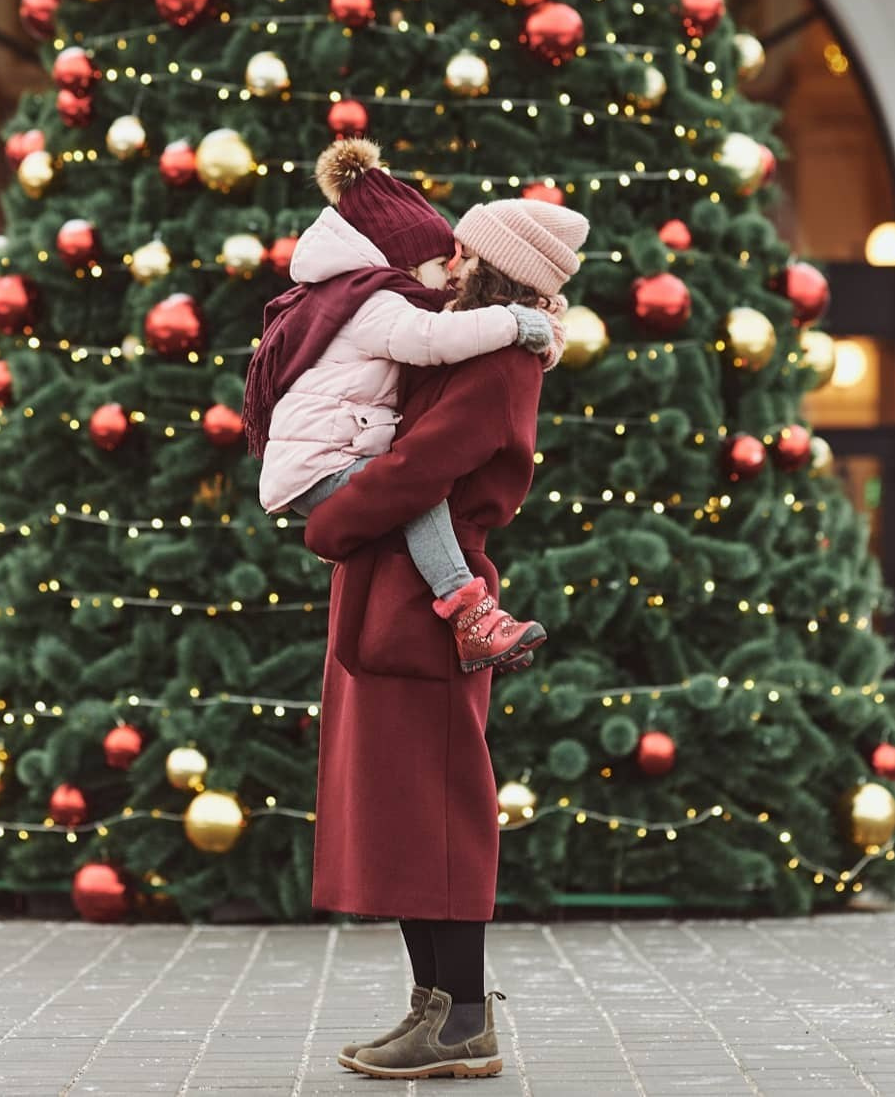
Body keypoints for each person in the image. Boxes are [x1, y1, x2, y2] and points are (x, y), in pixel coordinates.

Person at [302, 197, 589, 1081]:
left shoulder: (502, 359)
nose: (450, 259)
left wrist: (328, 520)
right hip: (397, 589)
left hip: (434, 600)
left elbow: (423, 467)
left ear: (497, 265)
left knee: (440, 804)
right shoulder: (465, 337)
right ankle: (436, 1008)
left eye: (467, 249)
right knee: (401, 813)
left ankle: (464, 1014)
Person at [244, 137, 567, 673]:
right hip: (335, 485)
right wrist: (518, 322)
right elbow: (432, 341)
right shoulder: (376, 305)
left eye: (463, 258)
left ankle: (472, 616)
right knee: (420, 497)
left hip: (379, 567)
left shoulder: (363, 300)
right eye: (444, 260)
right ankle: (469, 613)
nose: (451, 274)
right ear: (412, 262)